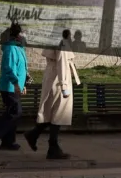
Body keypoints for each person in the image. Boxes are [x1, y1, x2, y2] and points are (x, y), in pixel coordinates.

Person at [24, 29, 80, 159]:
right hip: (58, 80)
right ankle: (51, 146)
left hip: (52, 77)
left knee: (52, 112)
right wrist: (64, 85)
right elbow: (62, 64)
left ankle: (35, 135)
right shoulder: (62, 43)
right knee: (57, 113)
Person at [0, 22, 29, 149]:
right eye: (23, 33)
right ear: (18, 35)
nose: (25, 36)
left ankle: (8, 142)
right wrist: (16, 83)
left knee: (13, 112)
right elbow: (8, 68)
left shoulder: (20, 49)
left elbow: (22, 69)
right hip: (9, 86)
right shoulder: (10, 49)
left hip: (15, 86)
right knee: (16, 111)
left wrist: (23, 84)